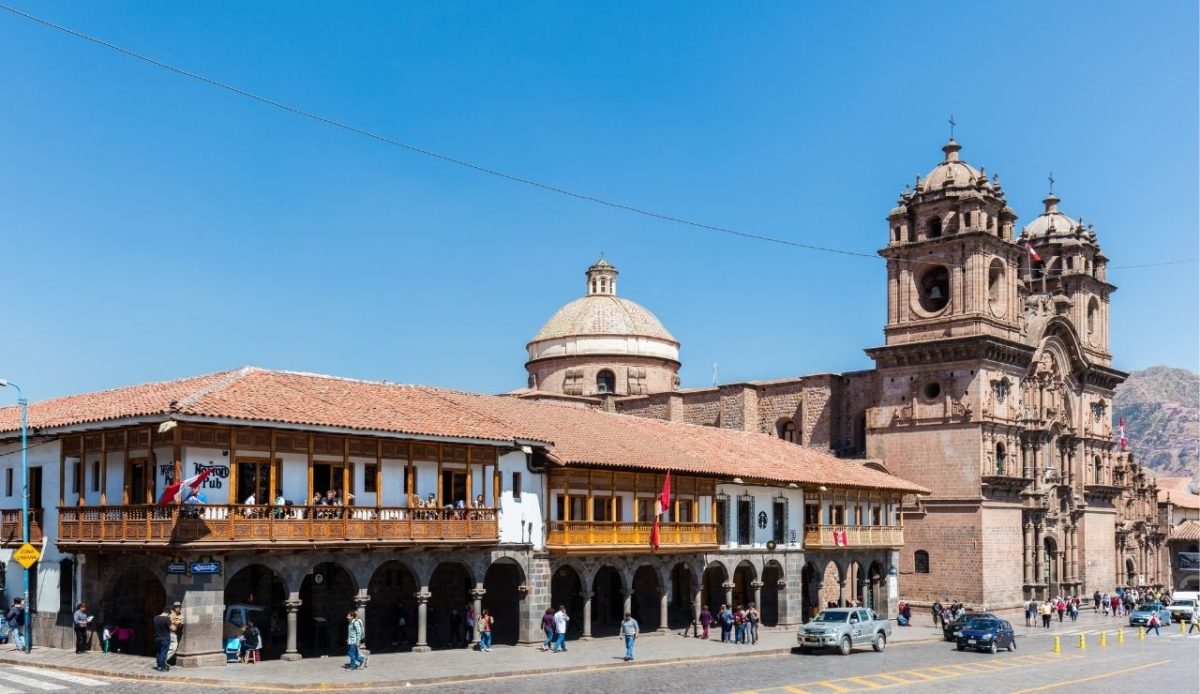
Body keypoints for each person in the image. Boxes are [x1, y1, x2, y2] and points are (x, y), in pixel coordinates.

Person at [152, 606, 173, 672]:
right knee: (163, 652)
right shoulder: (167, 619)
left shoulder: (155, 618)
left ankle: (159, 664)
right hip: (165, 638)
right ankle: (161, 667)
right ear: (168, 612)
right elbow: (173, 628)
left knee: (158, 652)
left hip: (157, 638)